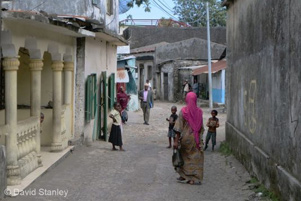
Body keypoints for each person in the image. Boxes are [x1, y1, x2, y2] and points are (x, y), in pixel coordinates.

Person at [173, 92, 204, 185]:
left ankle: (185, 175)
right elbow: (201, 127)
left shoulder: (183, 111)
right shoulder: (199, 112)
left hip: (185, 139)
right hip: (196, 138)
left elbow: (178, 128)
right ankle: (193, 178)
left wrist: (175, 141)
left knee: (185, 157)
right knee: (195, 158)